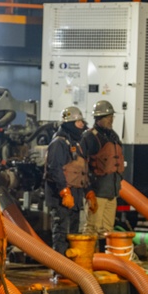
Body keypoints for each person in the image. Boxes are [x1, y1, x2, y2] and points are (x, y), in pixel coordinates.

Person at [44, 106, 89, 255]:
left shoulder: (75, 142)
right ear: (70, 123)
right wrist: (64, 191)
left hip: (75, 196)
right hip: (62, 198)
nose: (82, 124)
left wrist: (87, 192)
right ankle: (60, 269)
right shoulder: (59, 143)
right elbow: (54, 168)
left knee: (73, 235)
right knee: (61, 234)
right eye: (78, 122)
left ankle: (71, 269)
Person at [79, 100, 125, 246]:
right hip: (97, 193)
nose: (111, 119)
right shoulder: (89, 137)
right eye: (108, 117)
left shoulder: (113, 136)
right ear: (98, 119)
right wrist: (88, 191)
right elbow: (83, 166)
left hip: (112, 193)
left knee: (107, 231)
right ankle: (87, 262)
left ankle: (104, 262)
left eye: (112, 116)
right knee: (91, 230)